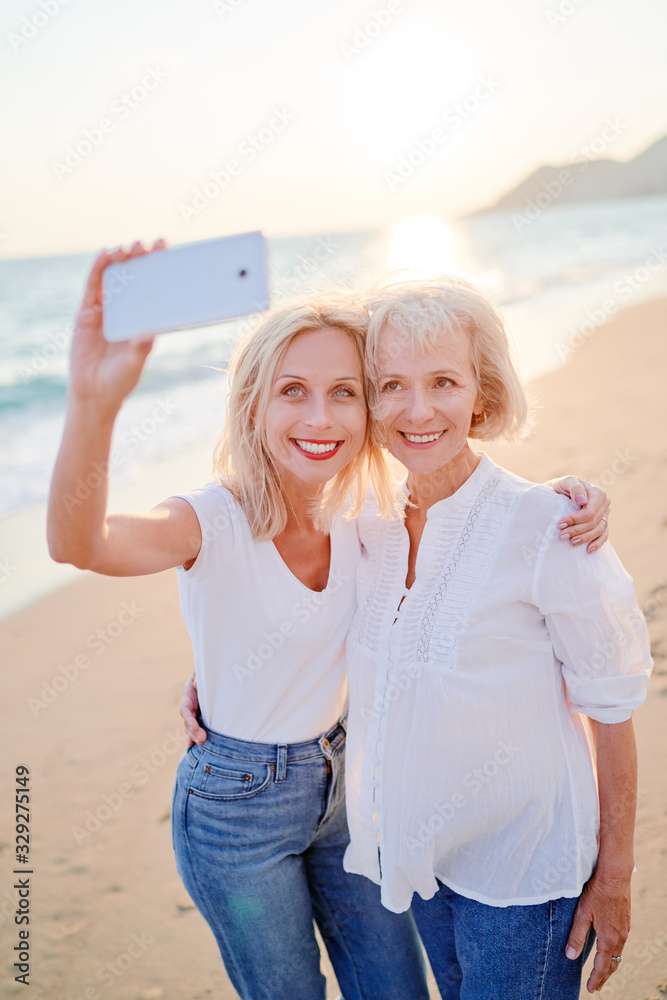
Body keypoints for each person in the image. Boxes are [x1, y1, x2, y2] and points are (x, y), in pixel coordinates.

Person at [47, 241, 430, 1000]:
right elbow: (78, 544)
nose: (318, 417)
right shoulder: (210, 520)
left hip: (349, 786)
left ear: (369, 405)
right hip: (235, 813)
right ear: (253, 402)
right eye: (292, 390)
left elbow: (482, 524)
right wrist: (94, 401)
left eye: (343, 392)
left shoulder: (373, 517)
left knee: (396, 990)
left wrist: (575, 497)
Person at [336, 279, 651, 999]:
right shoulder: (364, 530)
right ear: (369, 402)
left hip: (523, 881)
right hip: (421, 865)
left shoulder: (548, 528)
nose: (418, 410)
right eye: (391, 386)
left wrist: (615, 876)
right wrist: (217, 688)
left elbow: (610, 710)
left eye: (443, 382)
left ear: (480, 394)